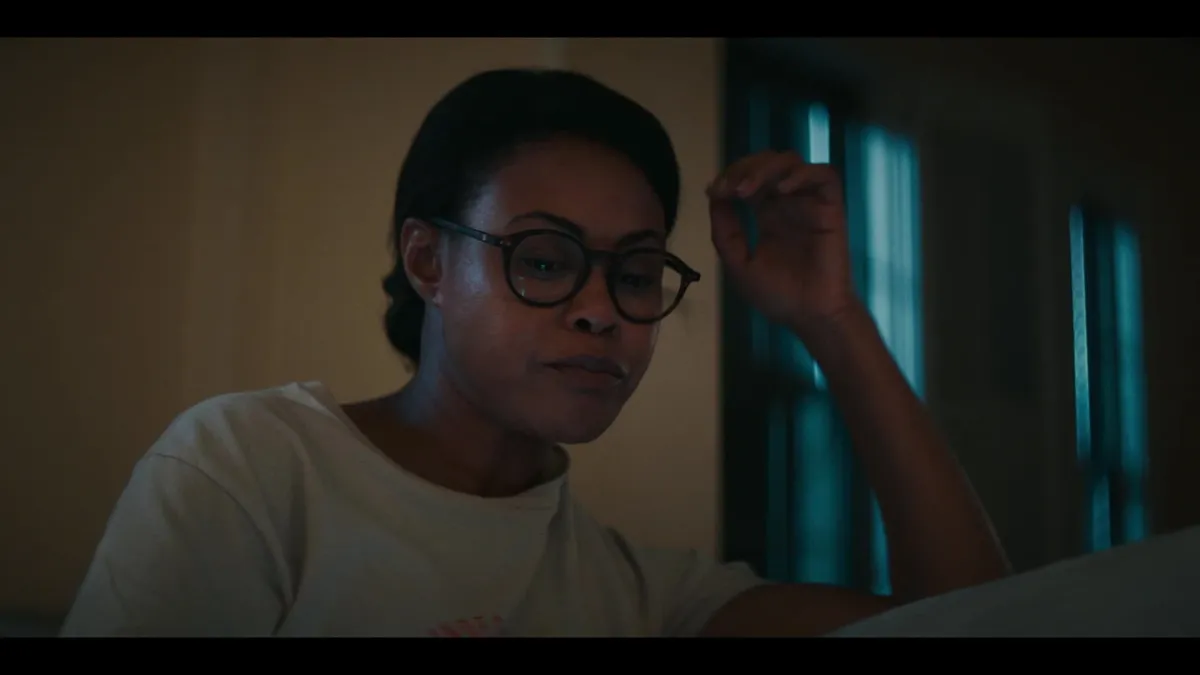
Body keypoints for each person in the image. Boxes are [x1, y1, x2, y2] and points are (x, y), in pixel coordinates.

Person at [61, 68, 1010, 638]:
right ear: (428, 261)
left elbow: (980, 623)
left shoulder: (639, 595)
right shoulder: (250, 469)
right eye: (545, 259)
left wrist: (833, 318)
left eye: (635, 273)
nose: (600, 312)